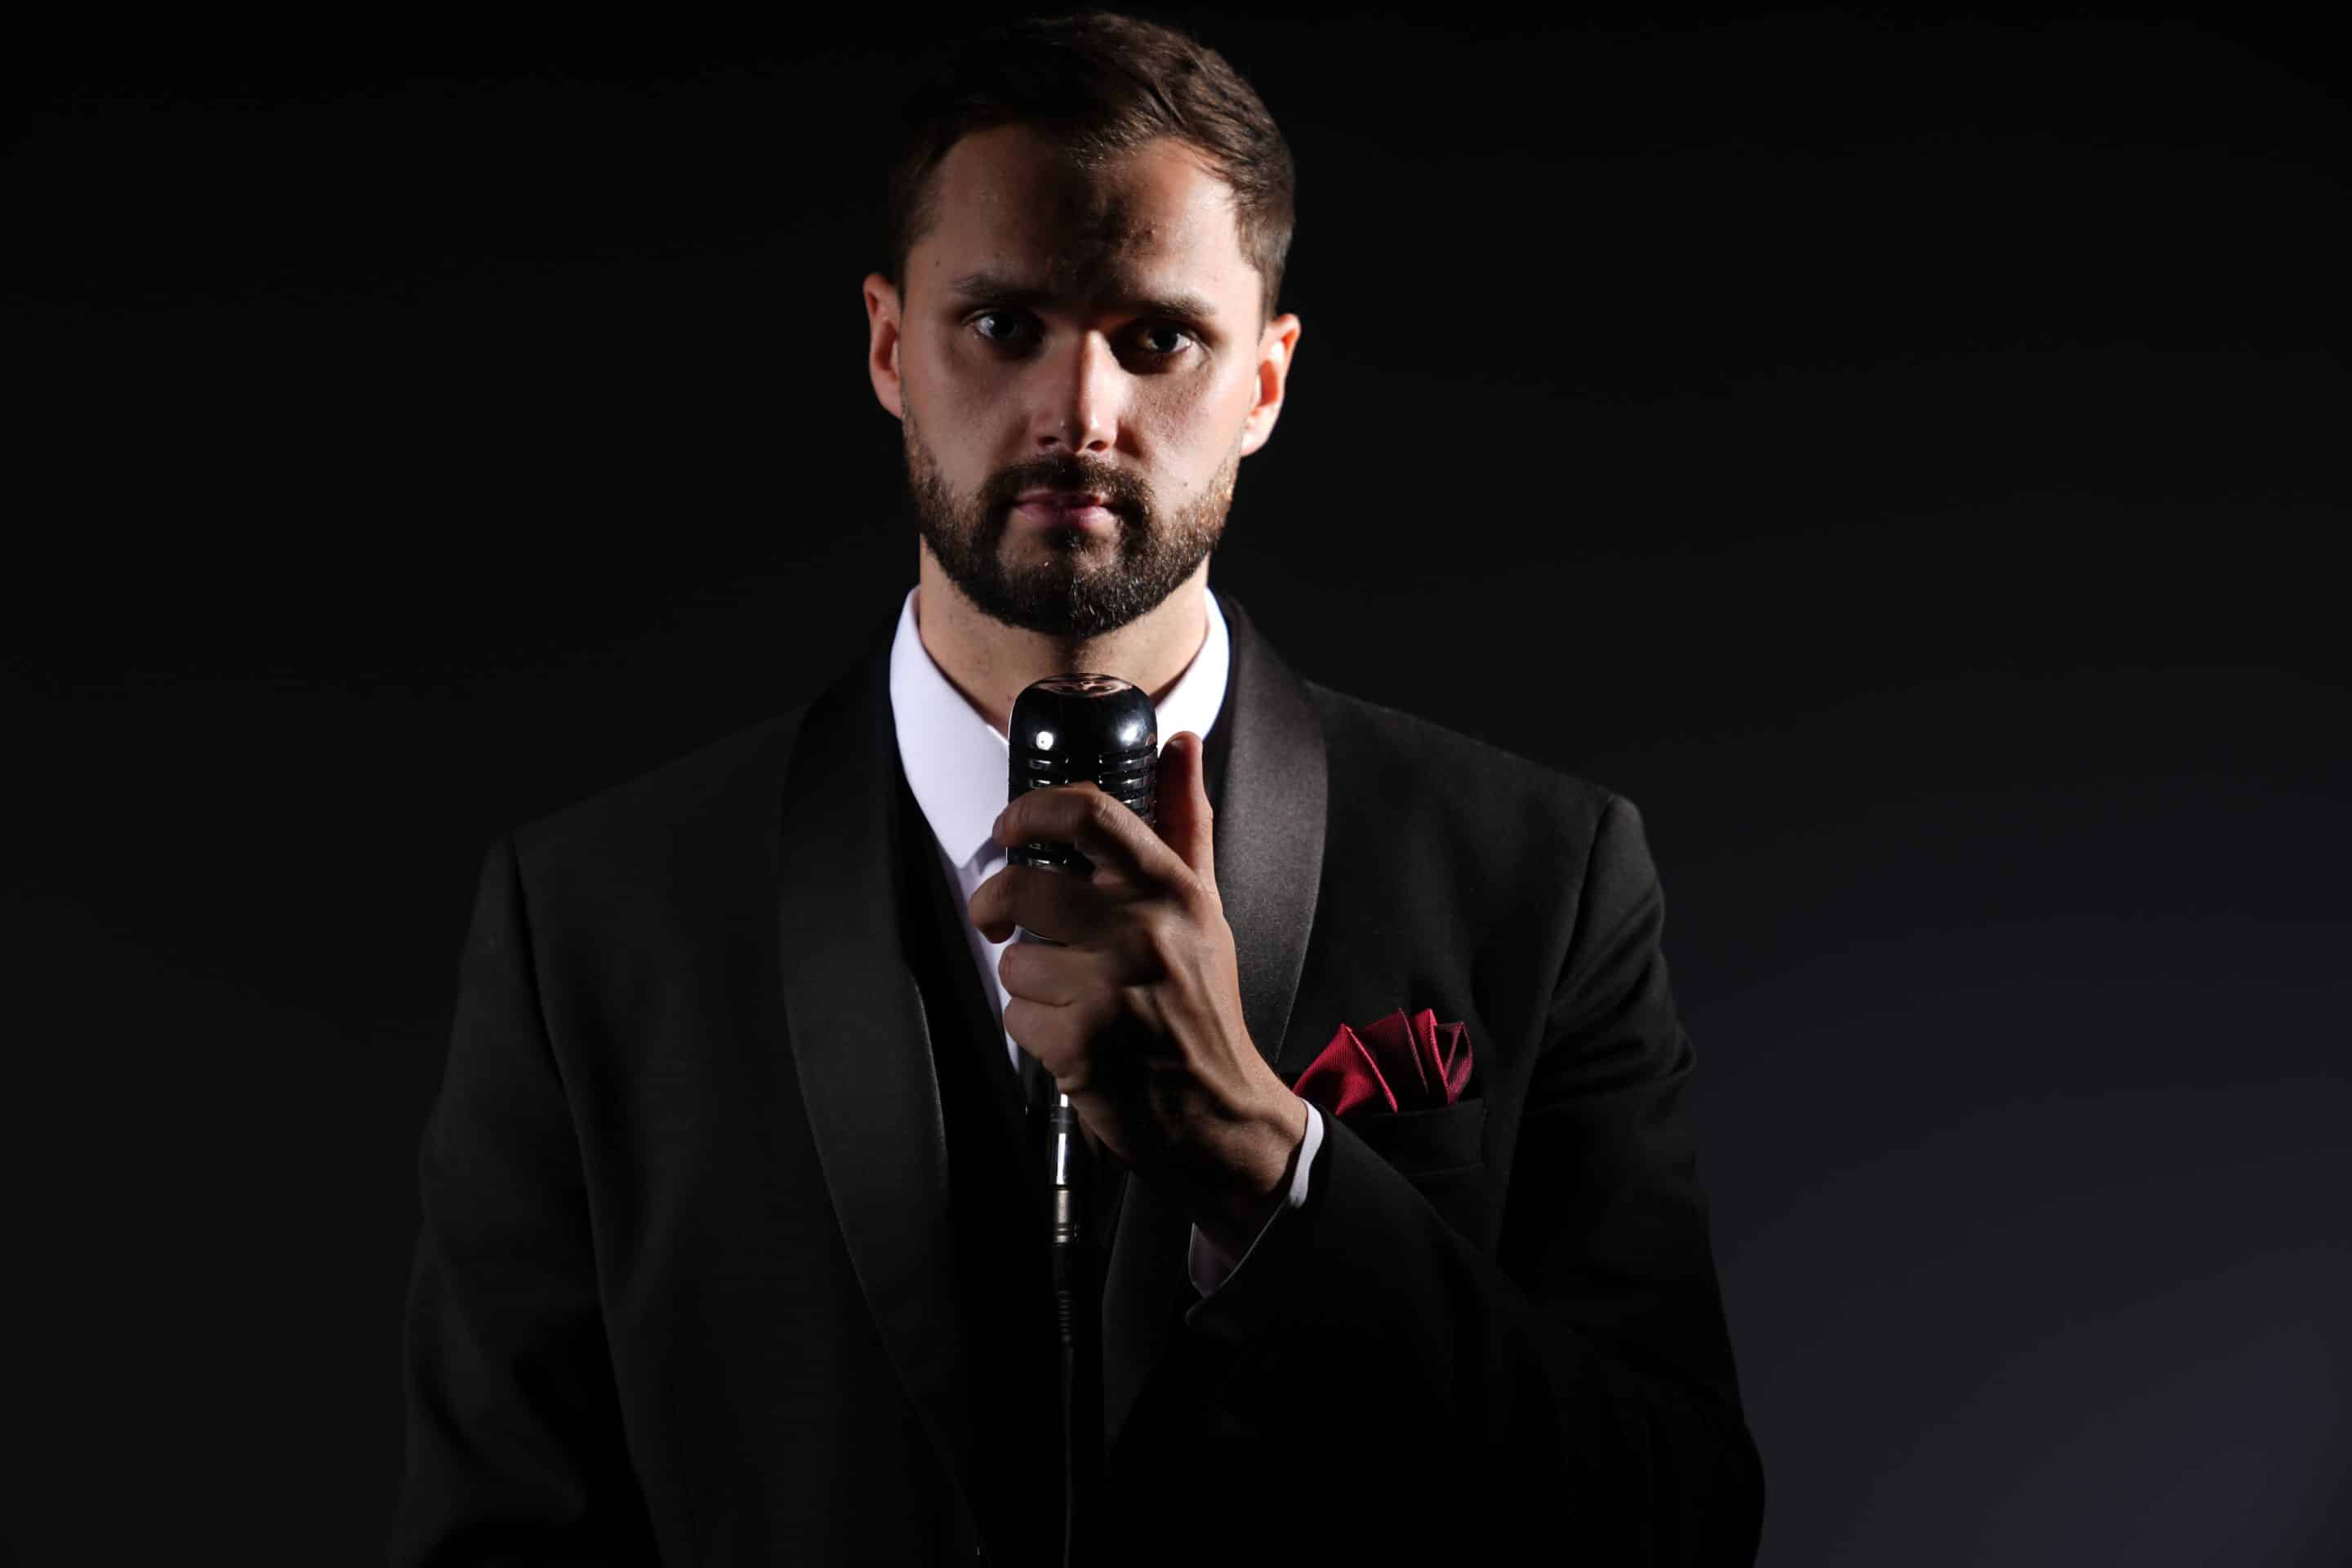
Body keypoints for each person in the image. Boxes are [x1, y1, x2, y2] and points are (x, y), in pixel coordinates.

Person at [390, 11, 1765, 1565]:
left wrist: (1267, 1162)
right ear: (890, 349)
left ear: (1266, 381)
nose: (1080, 413)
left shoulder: (1540, 877)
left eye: (1157, 339)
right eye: (1003, 325)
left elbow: (1682, 1522)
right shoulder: (589, 923)